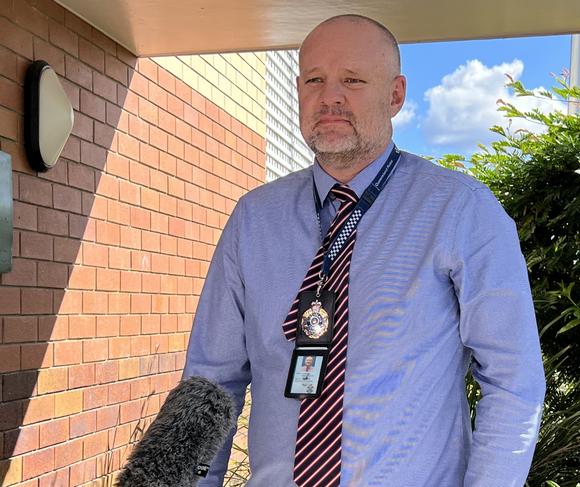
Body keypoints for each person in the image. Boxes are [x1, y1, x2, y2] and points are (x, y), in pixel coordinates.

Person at [184, 14, 546, 487]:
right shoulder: (253, 219)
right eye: (315, 80)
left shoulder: (461, 211)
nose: (330, 97)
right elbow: (211, 383)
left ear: (395, 95)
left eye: (352, 80)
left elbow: (513, 381)